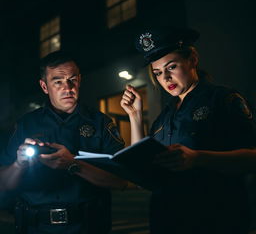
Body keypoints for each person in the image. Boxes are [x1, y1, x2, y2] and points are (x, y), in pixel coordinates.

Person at [120, 26, 256, 234]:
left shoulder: (222, 99)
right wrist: (135, 116)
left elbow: (252, 157)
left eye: (171, 67)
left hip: (214, 219)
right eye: (157, 73)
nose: (165, 78)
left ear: (192, 59)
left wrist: (198, 157)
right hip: (167, 219)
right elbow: (143, 170)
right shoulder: (164, 118)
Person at [0, 51, 128, 234]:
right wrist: (19, 164)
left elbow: (121, 181)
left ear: (80, 80)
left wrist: (73, 164)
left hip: (87, 226)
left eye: (72, 79)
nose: (67, 87)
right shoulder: (26, 124)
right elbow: (3, 183)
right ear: (44, 86)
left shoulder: (101, 123)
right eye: (58, 81)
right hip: (36, 227)